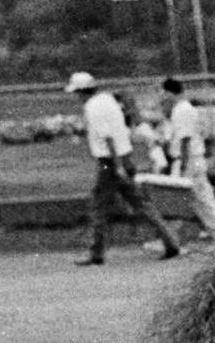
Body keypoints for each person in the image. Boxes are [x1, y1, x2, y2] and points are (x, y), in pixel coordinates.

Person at [66, 70, 183, 266]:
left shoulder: (93, 108)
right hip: (124, 156)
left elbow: (108, 137)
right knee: (141, 203)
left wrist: (117, 166)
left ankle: (96, 252)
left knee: (99, 206)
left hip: (110, 161)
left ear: (81, 91)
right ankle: (170, 240)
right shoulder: (107, 100)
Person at [159, 77, 215, 245]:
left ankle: (174, 239)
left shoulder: (182, 110)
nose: (162, 97)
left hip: (188, 160)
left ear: (169, 92)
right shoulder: (183, 109)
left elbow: (185, 140)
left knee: (196, 200)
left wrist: (183, 166)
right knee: (199, 201)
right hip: (190, 160)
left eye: (163, 93)